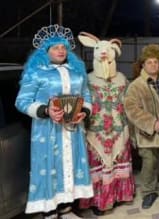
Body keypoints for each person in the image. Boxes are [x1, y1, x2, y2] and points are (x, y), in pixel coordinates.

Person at [15, 24, 93, 219]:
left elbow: (86, 95)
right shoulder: (37, 72)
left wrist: (84, 110)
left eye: (63, 47)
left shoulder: (76, 72)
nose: (61, 50)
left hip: (73, 130)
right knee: (49, 167)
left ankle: (66, 208)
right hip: (46, 132)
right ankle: (49, 210)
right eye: (55, 47)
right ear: (46, 51)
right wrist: (44, 111)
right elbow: (22, 101)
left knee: (71, 165)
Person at [77, 33, 135, 215]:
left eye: (108, 50)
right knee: (97, 164)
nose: (104, 54)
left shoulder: (122, 78)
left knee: (118, 162)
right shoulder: (87, 79)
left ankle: (117, 196)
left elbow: (129, 103)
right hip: (95, 131)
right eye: (99, 50)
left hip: (119, 129)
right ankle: (98, 201)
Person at [124, 44, 159, 210]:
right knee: (149, 163)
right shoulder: (136, 85)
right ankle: (149, 192)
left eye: (155, 62)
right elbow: (132, 109)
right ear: (143, 65)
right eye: (149, 62)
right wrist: (153, 123)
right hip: (148, 134)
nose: (153, 65)